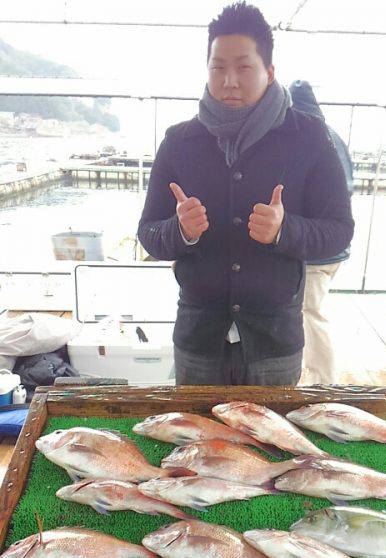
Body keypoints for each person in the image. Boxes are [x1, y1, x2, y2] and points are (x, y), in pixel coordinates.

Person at [138, 2, 354, 386]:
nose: (229, 80)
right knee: (194, 444)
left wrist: (285, 231)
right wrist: (180, 230)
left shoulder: (309, 137)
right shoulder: (179, 141)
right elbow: (149, 234)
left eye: (243, 66)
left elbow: (339, 230)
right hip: (198, 338)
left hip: (274, 341)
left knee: (271, 446)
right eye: (218, 67)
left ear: (269, 73)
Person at [289, 80, 354, 385]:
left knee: (311, 313)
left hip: (315, 252)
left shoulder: (307, 140)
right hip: (334, 250)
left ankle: (323, 385)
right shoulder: (335, 138)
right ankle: (312, 375)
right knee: (310, 311)